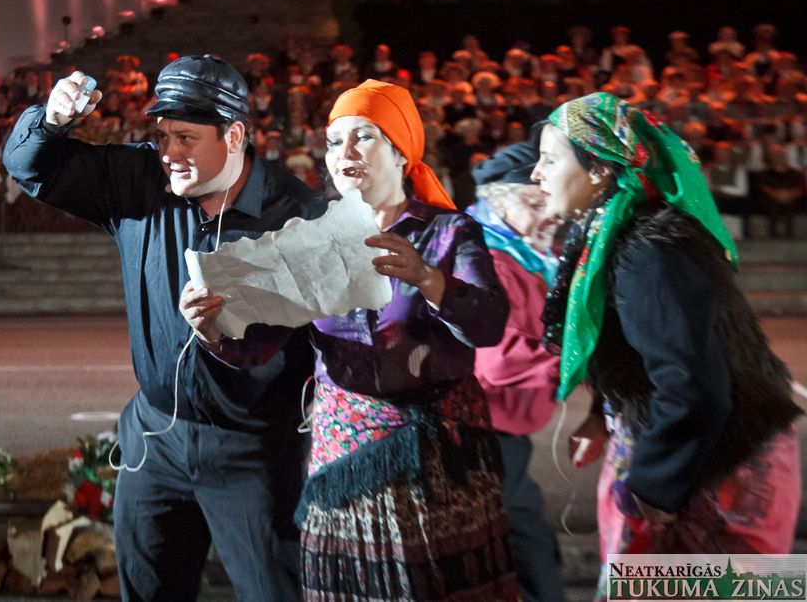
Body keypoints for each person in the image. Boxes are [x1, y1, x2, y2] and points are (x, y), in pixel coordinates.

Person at [3, 55, 325, 601]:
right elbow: (30, 168)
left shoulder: (296, 216)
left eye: (185, 138)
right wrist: (51, 121)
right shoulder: (139, 180)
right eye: (162, 136)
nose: (168, 153)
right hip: (155, 439)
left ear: (234, 135)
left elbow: (325, 345)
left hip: (254, 451)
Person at [181, 79, 518, 601]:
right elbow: (258, 346)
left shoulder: (449, 233)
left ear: (402, 152)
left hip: (436, 462)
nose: (345, 153)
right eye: (335, 141)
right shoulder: (313, 236)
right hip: (345, 451)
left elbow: (489, 324)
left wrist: (428, 278)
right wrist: (210, 329)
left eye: (365, 136)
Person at [531, 92, 802, 600]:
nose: (536, 174)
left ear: (599, 170)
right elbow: (646, 348)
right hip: (692, 445)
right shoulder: (617, 232)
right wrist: (603, 414)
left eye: (549, 159)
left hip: (715, 461)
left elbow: (694, 384)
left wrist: (656, 485)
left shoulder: (647, 250)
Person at [466, 122, 565, 602]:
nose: (549, 216)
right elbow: (498, 362)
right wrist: (576, 360)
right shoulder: (491, 259)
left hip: (498, 429)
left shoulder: (524, 253)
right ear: (498, 201)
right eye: (534, 203)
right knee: (523, 538)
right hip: (482, 431)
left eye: (550, 204)